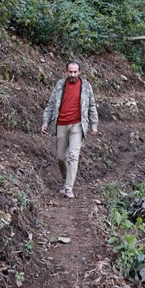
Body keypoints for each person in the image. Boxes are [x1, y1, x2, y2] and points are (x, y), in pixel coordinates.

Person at [41, 61, 98, 198]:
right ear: (66, 72)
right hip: (61, 124)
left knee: (73, 155)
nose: (72, 74)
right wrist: (45, 122)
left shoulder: (85, 87)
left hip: (77, 125)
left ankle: (68, 187)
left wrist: (94, 124)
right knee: (61, 157)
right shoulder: (60, 85)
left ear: (79, 72)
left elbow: (91, 106)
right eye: (70, 72)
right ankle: (66, 180)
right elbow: (51, 104)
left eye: (75, 72)